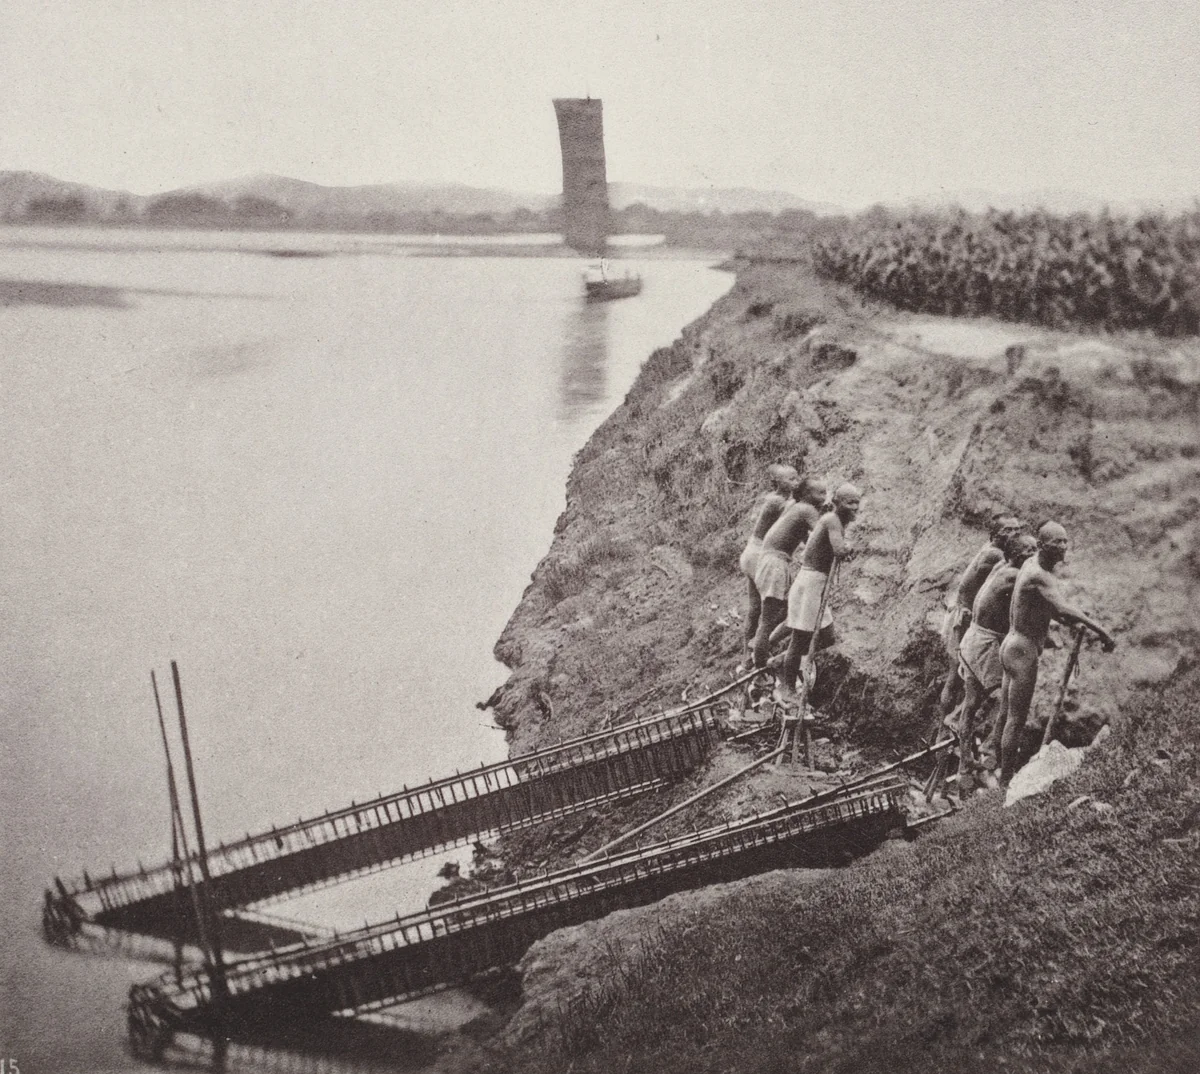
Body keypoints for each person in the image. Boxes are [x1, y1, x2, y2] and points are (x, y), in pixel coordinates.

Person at [992, 521, 1116, 785]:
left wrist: (1077, 621)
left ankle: (997, 770)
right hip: (1022, 651)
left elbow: (1046, 608)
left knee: (1005, 714)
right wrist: (1102, 631)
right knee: (1015, 718)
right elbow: (1062, 609)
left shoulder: (1032, 566)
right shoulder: (1040, 575)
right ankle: (1004, 782)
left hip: (1012, 646)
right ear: (1041, 545)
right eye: (1056, 542)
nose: (1063, 547)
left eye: (1065, 541)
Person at [952, 532, 1038, 793]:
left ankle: (967, 762)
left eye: (1035, 548)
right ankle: (987, 751)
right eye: (1028, 550)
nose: (1033, 555)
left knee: (972, 703)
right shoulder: (1013, 575)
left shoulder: (1003, 565)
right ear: (1013, 554)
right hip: (986, 643)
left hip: (976, 638)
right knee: (1008, 699)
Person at [776, 483, 861, 707]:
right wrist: (850, 548)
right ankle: (787, 687)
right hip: (810, 583)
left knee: (828, 637)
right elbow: (839, 550)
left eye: (857, 502)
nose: (855, 507)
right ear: (837, 503)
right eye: (850, 502)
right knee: (800, 638)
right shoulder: (832, 520)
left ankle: (782, 661)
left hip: (818, 585)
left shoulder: (836, 521)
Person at [938, 513, 1025, 719]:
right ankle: (947, 725)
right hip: (964, 620)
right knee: (958, 679)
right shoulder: (996, 555)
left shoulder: (995, 551)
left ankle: (950, 725)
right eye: (1008, 530)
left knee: (963, 679)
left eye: (1017, 530)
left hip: (965, 617)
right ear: (994, 534)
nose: (1014, 534)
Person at [751, 477, 827, 672]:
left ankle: (764, 645)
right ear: (805, 495)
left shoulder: (796, 508)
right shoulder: (806, 510)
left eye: (825, 492)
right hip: (775, 563)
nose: (824, 497)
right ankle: (760, 668)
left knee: (788, 610)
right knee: (767, 620)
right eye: (819, 493)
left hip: (772, 560)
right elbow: (822, 532)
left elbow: (806, 539)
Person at [737, 464, 802, 650]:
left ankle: (750, 651)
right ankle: (761, 644)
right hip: (761, 555)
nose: (796, 482)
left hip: (751, 552)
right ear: (777, 483)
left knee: (755, 608)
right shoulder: (777, 501)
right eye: (791, 479)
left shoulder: (776, 500)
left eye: (797, 478)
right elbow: (795, 512)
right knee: (779, 607)